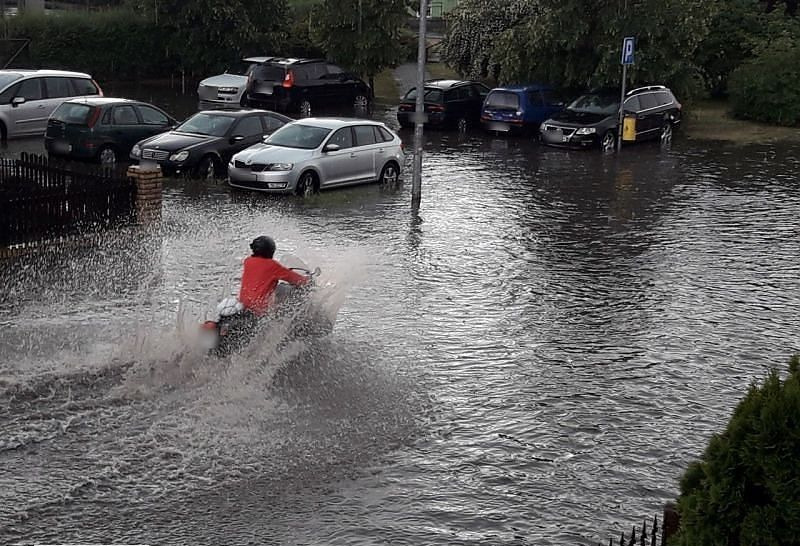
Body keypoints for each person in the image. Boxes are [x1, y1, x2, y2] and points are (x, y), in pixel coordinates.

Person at [238, 236, 309, 316]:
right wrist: (308, 281)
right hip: (259, 311)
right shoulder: (272, 266)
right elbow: (296, 279)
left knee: (279, 289)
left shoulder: (248, 261)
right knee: (285, 290)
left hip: (244, 306)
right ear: (270, 251)